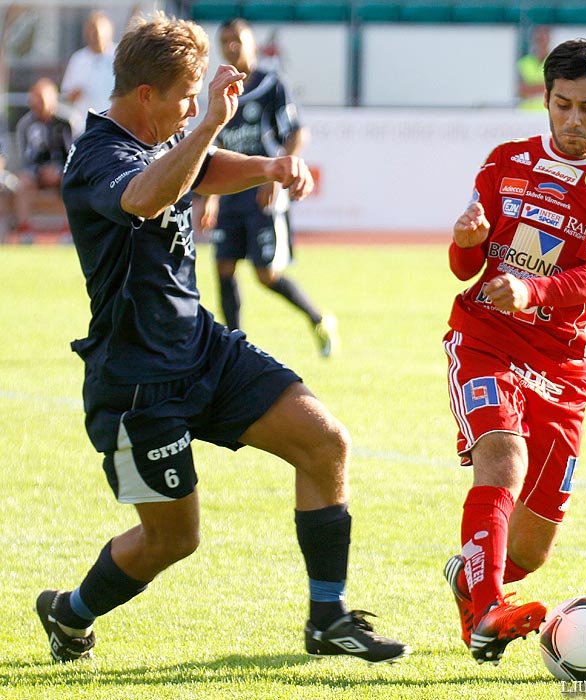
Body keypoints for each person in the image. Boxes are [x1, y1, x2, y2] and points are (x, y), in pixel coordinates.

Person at [36, 11, 409, 665]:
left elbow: (199, 169)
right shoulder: (96, 158)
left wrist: (268, 165)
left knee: (324, 444)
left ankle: (328, 618)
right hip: (136, 383)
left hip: (202, 347)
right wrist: (206, 123)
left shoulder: (164, 134)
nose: (191, 109)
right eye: (186, 96)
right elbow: (147, 198)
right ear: (146, 94)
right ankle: (69, 613)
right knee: (173, 540)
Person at [442, 39, 586, 665]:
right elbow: (465, 269)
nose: (572, 120)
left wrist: (532, 290)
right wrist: (466, 243)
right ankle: (486, 610)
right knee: (503, 457)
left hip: (564, 364)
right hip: (485, 338)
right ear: (546, 98)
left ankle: (473, 578)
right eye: (562, 105)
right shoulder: (506, 163)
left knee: (531, 551)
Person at [195, 18, 338, 358]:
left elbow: (297, 132)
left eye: (237, 39)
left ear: (252, 44)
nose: (231, 45)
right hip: (230, 193)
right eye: (225, 39)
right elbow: (216, 147)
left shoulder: (271, 84)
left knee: (266, 274)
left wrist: (276, 177)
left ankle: (319, 319)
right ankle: (234, 346)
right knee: (223, 266)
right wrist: (211, 195)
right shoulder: (221, 92)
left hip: (263, 193)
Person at [13, 77, 73, 232]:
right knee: (23, 182)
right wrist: (40, 171)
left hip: (64, 171)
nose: (36, 103)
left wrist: (59, 170)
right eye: (33, 98)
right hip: (37, 173)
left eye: (40, 98)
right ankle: (24, 227)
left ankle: (70, 228)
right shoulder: (26, 124)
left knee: (72, 180)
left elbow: (78, 154)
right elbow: (25, 158)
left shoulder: (68, 121)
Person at [60, 11, 117, 133]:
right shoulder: (78, 59)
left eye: (98, 32)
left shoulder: (119, 56)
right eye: (92, 31)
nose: (95, 35)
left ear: (109, 32)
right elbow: (66, 95)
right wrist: (73, 95)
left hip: (115, 126)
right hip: (85, 127)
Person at [516, 26, 551, 111]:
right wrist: (543, 86)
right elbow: (520, 90)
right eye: (538, 39)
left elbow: (556, 87)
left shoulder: (554, 61)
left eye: (543, 39)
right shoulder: (524, 62)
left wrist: (531, 87)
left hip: (546, 111)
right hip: (525, 111)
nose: (541, 43)